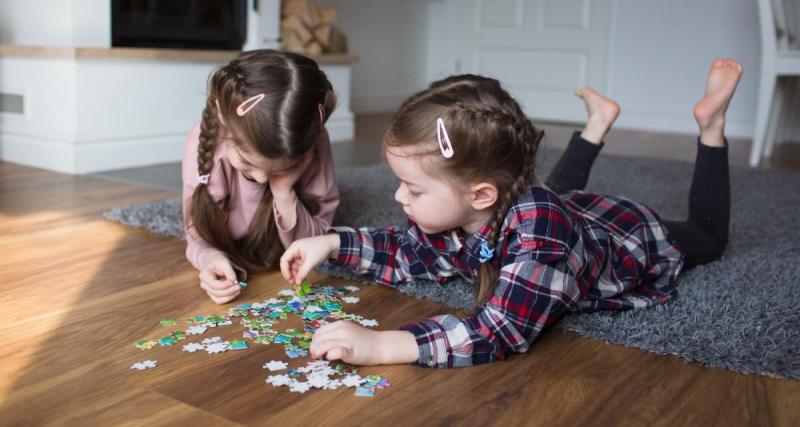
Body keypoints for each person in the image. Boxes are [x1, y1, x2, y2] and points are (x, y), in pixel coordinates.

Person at [280, 59, 742, 368]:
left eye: (413, 188)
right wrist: (334, 242)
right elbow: (406, 252)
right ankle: (598, 124)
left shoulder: (543, 235)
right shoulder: (477, 204)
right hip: (549, 213)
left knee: (707, 236)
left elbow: (501, 329)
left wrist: (384, 344)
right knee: (552, 193)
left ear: (481, 195)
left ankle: (711, 125)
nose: (399, 198)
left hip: (623, 236)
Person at [182, 50, 340, 304]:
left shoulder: (315, 142)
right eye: (246, 161)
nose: (261, 178)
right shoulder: (210, 144)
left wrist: (284, 192)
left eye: (283, 168)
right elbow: (197, 233)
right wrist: (208, 257)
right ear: (223, 120)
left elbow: (316, 244)